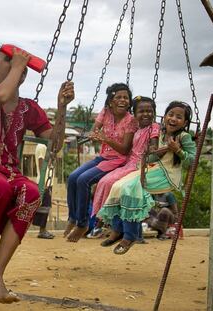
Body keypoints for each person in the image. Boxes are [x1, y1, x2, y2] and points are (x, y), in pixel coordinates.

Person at [0, 46, 74, 306]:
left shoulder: (29, 108)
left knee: (31, 193)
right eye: (8, 62)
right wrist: (20, 64)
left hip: (9, 170)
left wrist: (62, 108)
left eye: (18, 63)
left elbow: (54, 144)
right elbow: (1, 95)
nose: (16, 65)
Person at [98, 101, 196, 255]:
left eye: (179, 117)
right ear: (164, 117)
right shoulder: (159, 133)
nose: (173, 119)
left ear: (185, 122)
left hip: (166, 175)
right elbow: (151, 159)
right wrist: (154, 153)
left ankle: (130, 236)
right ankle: (117, 230)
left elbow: (192, 160)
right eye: (171, 114)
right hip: (151, 169)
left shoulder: (184, 137)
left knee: (131, 188)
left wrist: (178, 151)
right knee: (116, 185)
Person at [65, 83, 138, 242]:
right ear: (111, 101)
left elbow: (125, 149)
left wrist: (106, 139)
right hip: (103, 157)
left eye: (126, 97)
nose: (122, 100)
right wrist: (94, 134)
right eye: (118, 97)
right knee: (72, 177)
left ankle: (83, 224)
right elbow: (95, 129)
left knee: (84, 180)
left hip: (118, 160)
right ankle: (73, 217)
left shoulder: (130, 120)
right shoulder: (105, 112)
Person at [92, 96, 160, 217]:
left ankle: (108, 217)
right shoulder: (137, 128)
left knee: (111, 183)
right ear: (134, 114)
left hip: (139, 165)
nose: (146, 114)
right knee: (102, 182)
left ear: (154, 113)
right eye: (141, 111)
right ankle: (104, 217)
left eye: (149, 111)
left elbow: (154, 143)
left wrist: (152, 149)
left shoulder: (153, 127)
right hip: (129, 163)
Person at [32, 143, 54, 239]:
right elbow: (42, 165)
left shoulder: (45, 147)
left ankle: (43, 229)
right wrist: (44, 183)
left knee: (45, 206)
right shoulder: (42, 146)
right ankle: (42, 230)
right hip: (44, 182)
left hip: (46, 182)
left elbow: (47, 164)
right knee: (44, 207)